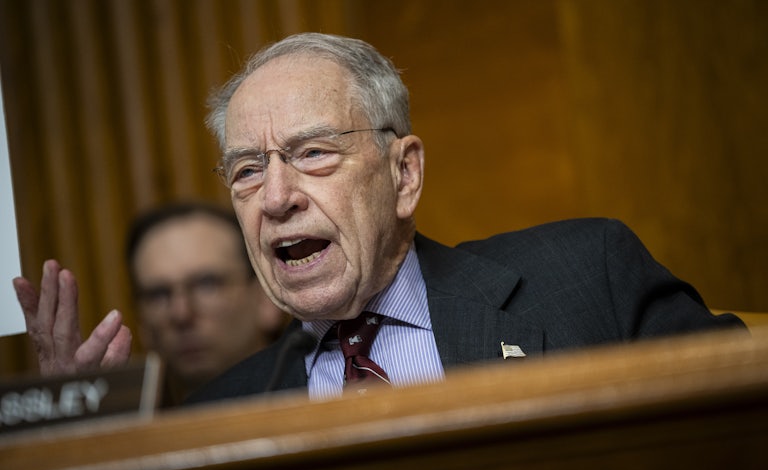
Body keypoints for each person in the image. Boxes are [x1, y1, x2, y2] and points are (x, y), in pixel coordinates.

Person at [13, 33, 744, 406]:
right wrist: (77, 430)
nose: (276, 198)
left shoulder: (587, 277)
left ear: (405, 173)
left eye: (313, 153)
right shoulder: (219, 410)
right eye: (246, 170)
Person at [13, 202, 287, 406]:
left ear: (266, 297)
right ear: (142, 322)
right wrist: (72, 408)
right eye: (158, 294)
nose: (180, 313)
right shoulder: (128, 438)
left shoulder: (318, 397)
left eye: (206, 284)